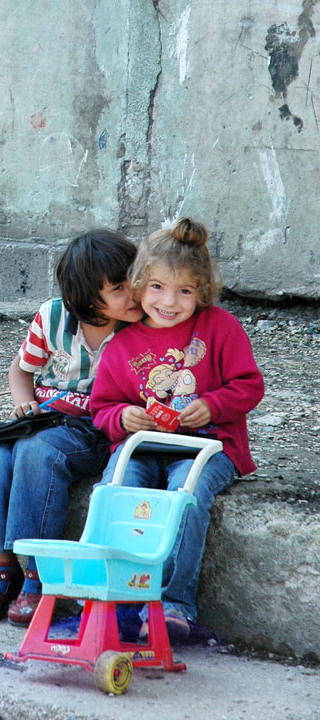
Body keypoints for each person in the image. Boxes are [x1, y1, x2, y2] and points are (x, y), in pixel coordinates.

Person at [90, 217, 265, 642]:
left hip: (207, 447)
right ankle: (114, 599)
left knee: (183, 497)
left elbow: (250, 385)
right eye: (157, 288)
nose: (169, 301)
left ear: (201, 291)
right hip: (143, 445)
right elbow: (101, 408)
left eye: (184, 291)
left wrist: (211, 406)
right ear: (138, 284)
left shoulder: (219, 327)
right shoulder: (124, 344)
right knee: (116, 490)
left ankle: (172, 604)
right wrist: (123, 418)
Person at [0, 228, 143, 625]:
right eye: (118, 288)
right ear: (87, 298)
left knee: (38, 454)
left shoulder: (140, 329)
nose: (133, 293)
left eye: (135, 280)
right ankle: (1, 565)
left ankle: (38, 574)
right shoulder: (53, 316)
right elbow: (20, 369)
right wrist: (23, 402)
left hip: (92, 431)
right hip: (43, 419)